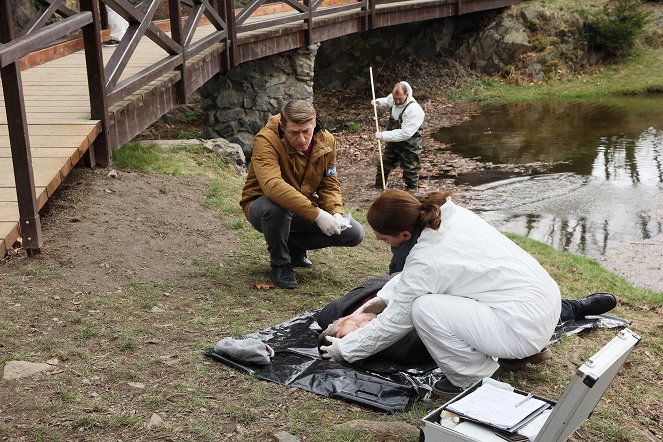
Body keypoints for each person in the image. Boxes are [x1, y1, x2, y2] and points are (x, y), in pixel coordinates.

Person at [320, 189, 563, 399]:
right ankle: (522, 353)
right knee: (457, 293)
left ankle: (470, 378)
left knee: (424, 309)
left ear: (404, 235)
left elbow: (396, 321)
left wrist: (345, 349)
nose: (381, 242)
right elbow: (422, 277)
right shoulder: (450, 217)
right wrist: (382, 299)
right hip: (545, 305)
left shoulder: (426, 258)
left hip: (522, 326)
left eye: (383, 238)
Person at [240, 100, 365, 289]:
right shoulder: (265, 140)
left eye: (306, 131)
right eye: (294, 133)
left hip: (301, 207)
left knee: (354, 233)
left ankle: (293, 246)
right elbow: (272, 186)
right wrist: (317, 215)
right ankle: (280, 265)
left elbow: (329, 182)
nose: (301, 139)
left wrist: (335, 211)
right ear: (283, 126)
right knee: (276, 208)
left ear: (314, 124)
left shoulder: (327, 140)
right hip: (263, 206)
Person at [373, 81, 425, 189]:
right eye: (395, 98)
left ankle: (412, 193)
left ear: (407, 94)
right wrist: (378, 102)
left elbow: (405, 133)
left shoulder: (414, 110)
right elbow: (388, 101)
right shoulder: (394, 98)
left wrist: (383, 136)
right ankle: (379, 189)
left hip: (409, 144)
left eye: (399, 99)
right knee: (383, 165)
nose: (396, 101)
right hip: (393, 142)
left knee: (410, 171)